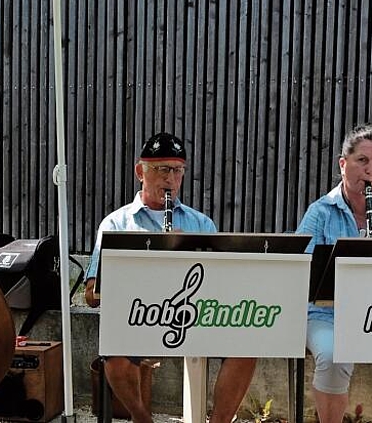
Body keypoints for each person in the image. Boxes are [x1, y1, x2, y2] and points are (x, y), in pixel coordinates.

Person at [84, 132, 257, 423]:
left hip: (196, 317)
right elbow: (91, 294)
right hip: (142, 317)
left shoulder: (201, 223)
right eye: (163, 169)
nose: (171, 179)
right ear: (141, 172)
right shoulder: (116, 223)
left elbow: (222, 285)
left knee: (248, 345)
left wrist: (185, 250)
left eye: (178, 171)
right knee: (113, 351)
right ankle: (141, 417)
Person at [296, 124, 372, 423]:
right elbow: (300, 268)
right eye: (362, 161)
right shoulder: (320, 213)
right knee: (333, 356)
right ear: (343, 164)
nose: (370, 170)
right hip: (326, 315)